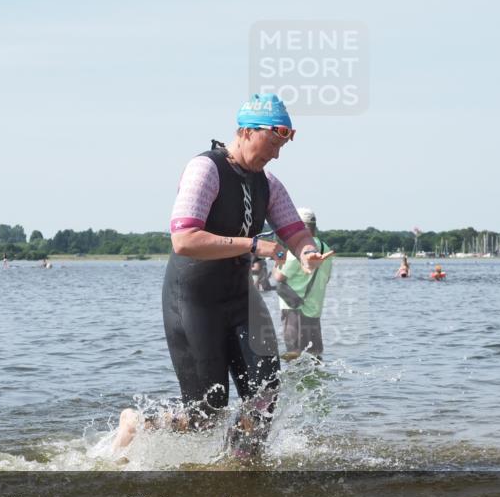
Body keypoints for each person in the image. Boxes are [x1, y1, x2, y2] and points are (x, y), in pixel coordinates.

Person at [111, 93, 333, 457]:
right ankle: (141, 423)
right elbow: (184, 239)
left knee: (265, 391)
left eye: (281, 146)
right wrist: (252, 246)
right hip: (193, 301)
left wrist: (307, 253)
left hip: (239, 299)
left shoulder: (268, 183)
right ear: (245, 131)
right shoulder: (205, 169)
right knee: (206, 411)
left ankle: (242, 466)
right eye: (272, 142)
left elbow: (294, 230)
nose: (276, 154)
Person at [272, 208, 334, 359]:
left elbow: (278, 278)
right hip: (314, 311)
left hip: (294, 310)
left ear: (301, 227)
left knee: (294, 358)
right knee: (315, 358)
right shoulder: (326, 249)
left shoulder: (297, 251)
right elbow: (326, 279)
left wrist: (277, 260)